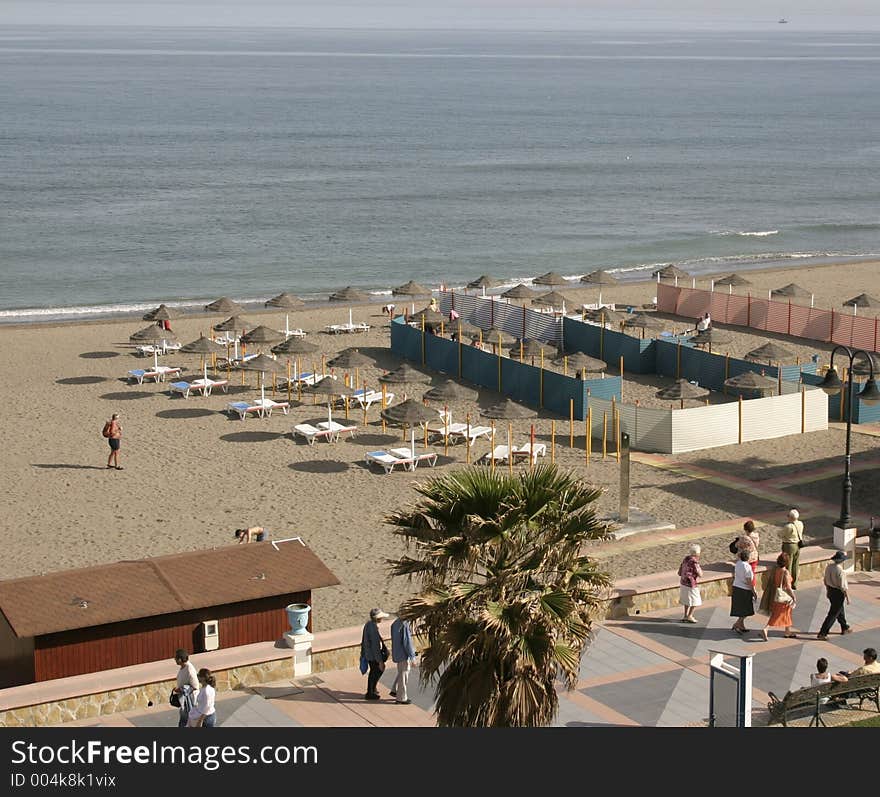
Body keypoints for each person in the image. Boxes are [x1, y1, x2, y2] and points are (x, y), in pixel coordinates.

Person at [759, 552, 797, 641]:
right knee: (778, 615)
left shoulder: (775, 570)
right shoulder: (785, 572)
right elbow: (788, 587)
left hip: (776, 594)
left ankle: (787, 631)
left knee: (785, 614)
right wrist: (793, 596)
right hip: (784, 597)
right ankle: (766, 629)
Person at [817, 550, 852, 640]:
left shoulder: (829, 567)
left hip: (831, 591)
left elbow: (825, 581)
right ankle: (822, 633)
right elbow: (843, 586)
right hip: (838, 593)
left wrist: (828, 591)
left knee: (839, 610)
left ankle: (845, 627)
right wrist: (848, 598)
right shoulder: (840, 571)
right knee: (833, 613)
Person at [361, 607, 389, 700]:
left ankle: (372, 689)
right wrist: (380, 661)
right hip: (373, 656)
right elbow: (375, 647)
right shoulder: (373, 628)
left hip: (369, 654)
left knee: (373, 672)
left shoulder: (368, 625)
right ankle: (370, 692)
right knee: (376, 672)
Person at [389, 612, 417, 705]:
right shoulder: (404, 625)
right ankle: (401, 698)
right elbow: (407, 642)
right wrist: (412, 657)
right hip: (403, 655)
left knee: (401, 673)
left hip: (397, 653)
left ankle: (395, 690)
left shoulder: (395, 623)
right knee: (404, 675)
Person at [730, 550, 756, 634]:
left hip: (736, 587)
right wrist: (753, 592)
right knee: (746, 610)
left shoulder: (738, 563)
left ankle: (741, 626)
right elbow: (749, 581)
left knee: (741, 609)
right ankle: (737, 624)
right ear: (748, 557)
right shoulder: (747, 567)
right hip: (744, 590)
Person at [172, 649, 199, 728]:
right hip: (184, 701)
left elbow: (195, 686)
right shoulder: (183, 667)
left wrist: (180, 689)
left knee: (185, 722)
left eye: (176, 658)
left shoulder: (189, 670)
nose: (175, 660)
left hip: (190, 702)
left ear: (180, 659)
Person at [678, 544, 703, 623]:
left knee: (686, 600)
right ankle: (690, 616)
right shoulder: (694, 562)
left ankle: (685, 615)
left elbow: (680, 570)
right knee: (695, 600)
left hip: (683, 582)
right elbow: (700, 574)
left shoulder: (686, 559)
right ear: (697, 553)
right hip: (691, 584)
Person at [781, 509, 805, 589]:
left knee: (788, 565)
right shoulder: (800, 523)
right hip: (797, 545)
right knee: (795, 564)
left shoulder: (788, 526)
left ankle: (788, 583)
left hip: (789, 545)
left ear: (791, 517)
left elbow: (781, 534)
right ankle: (795, 583)